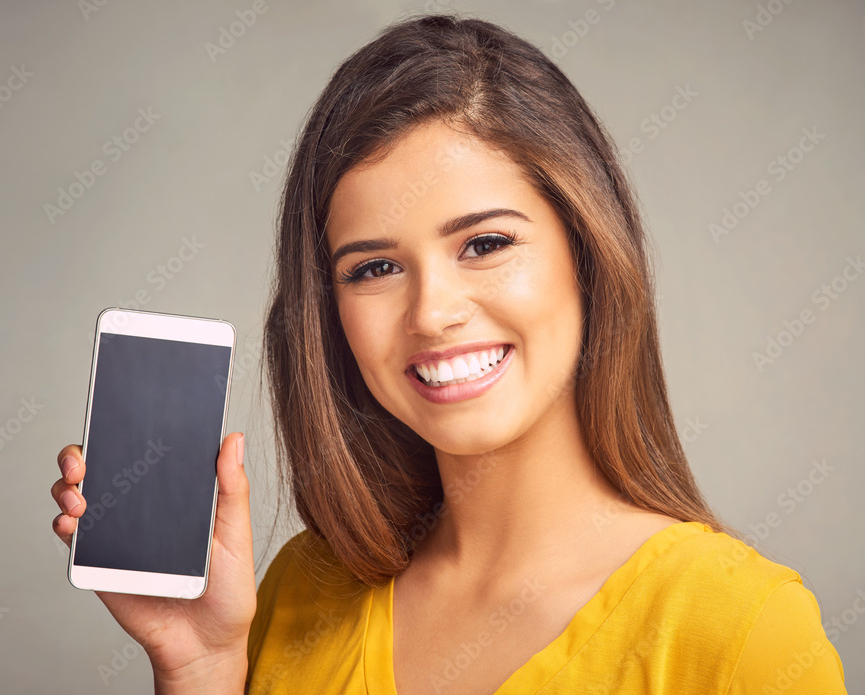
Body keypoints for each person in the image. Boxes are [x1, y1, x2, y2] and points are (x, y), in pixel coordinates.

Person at [50, 13, 847, 695]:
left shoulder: (742, 631)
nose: (432, 313)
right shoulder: (300, 589)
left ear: (587, 252)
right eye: (375, 268)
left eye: (486, 243)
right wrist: (204, 667)